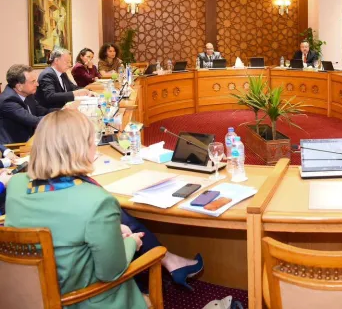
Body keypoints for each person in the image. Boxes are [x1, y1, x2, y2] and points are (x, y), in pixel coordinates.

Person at [5, 111, 204, 308]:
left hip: (24, 295)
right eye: (92, 140)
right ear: (82, 148)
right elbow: (111, 272)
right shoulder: (97, 201)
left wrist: (111, 231)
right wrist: (132, 242)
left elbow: (59, 226)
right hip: (78, 300)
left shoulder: (16, 184)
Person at [0, 64, 55, 144]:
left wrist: (63, 111)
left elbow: (43, 111)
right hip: (15, 146)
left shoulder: (28, 94)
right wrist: (58, 117)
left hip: (31, 139)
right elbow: (33, 120)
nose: (37, 84)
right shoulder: (8, 101)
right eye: (33, 81)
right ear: (19, 86)